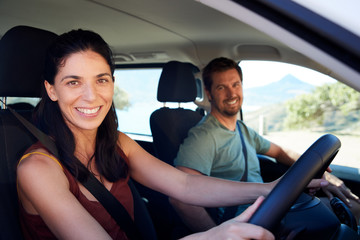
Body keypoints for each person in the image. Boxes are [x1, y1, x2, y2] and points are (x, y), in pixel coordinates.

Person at [15, 29, 302, 240]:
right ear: (52, 90)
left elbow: (185, 185)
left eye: (101, 80)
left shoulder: (117, 143)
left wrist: (269, 188)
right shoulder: (37, 168)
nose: (91, 96)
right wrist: (212, 236)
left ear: (112, 84)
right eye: (73, 82)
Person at [171, 57, 360, 232]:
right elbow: (181, 198)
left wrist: (324, 176)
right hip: (248, 221)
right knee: (349, 214)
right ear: (209, 93)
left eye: (236, 84)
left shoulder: (242, 129)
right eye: (221, 87)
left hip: (269, 207)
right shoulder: (203, 136)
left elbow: (279, 151)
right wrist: (216, 234)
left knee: (351, 209)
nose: (231, 93)